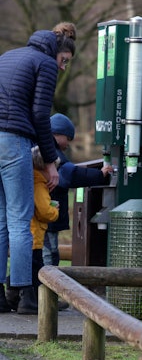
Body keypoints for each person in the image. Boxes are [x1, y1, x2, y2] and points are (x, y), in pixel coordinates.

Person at [0, 22, 77, 313]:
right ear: (57, 51)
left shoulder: (7, 56)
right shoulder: (44, 63)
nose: (62, 68)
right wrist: (50, 162)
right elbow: (40, 115)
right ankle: (24, 295)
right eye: (64, 61)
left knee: (0, 221)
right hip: (13, 142)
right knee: (20, 220)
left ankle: (1, 295)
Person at [43, 113, 113, 267]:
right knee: (49, 254)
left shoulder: (44, 148)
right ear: (58, 134)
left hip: (46, 213)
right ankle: (43, 289)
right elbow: (70, 175)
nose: (68, 144)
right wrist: (100, 174)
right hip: (46, 214)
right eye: (68, 139)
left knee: (48, 252)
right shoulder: (52, 152)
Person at [6, 147, 60, 314]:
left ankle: (14, 295)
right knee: (36, 270)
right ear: (44, 168)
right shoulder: (39, 184)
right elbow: (44, 211)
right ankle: (32, 301)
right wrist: (55, 210)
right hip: (33, 236)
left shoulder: (28, 181)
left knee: (21, 266)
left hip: (22, 234)